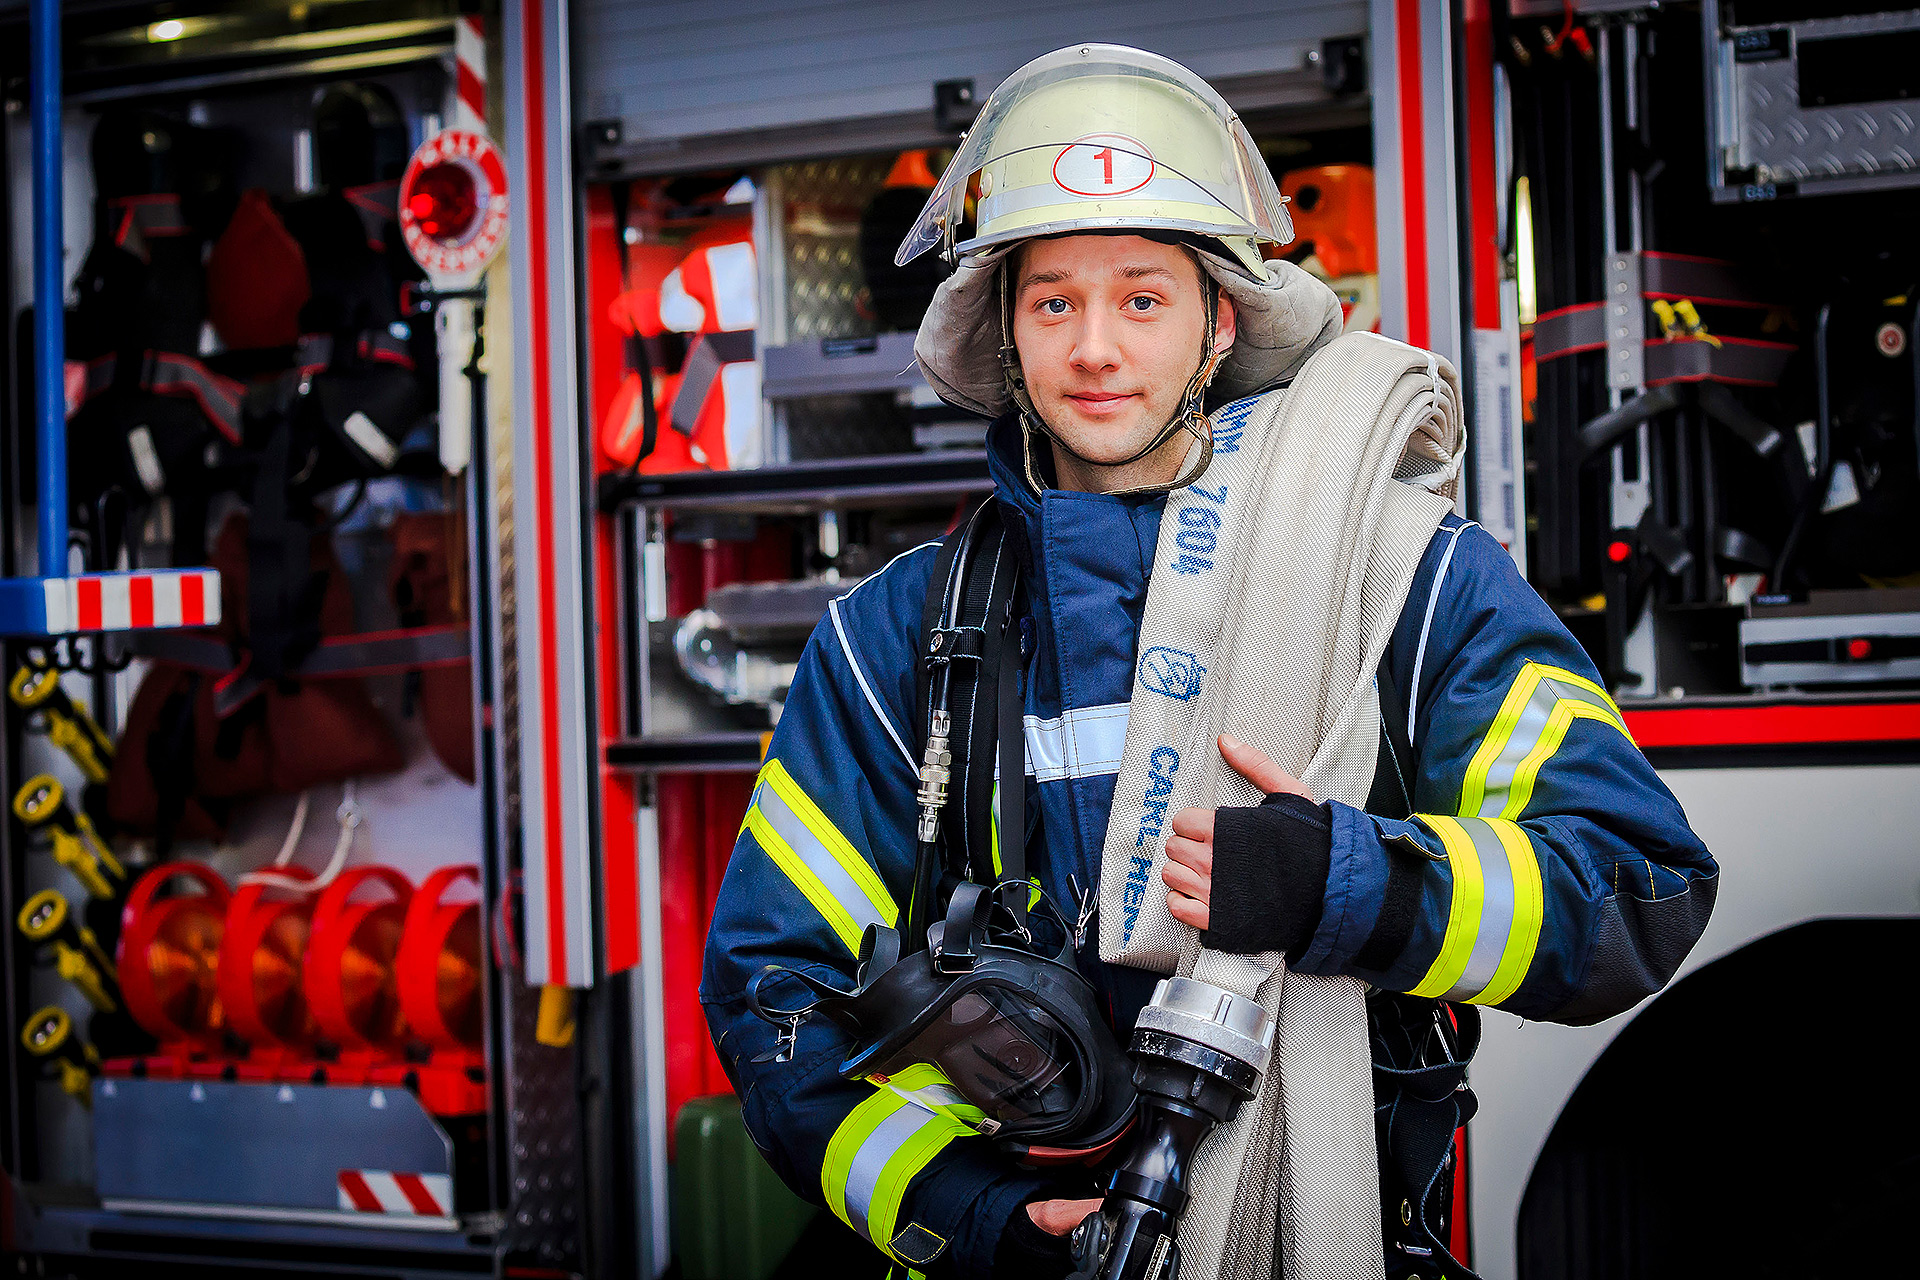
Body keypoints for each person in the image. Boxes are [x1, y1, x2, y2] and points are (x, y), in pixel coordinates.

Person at [702, 44, 1717, 1279]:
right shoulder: (889, 641)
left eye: (1142, 297)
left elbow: (1635, 886)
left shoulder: (1400, 579)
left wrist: (1350, 882)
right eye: (1053, 300)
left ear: (1218, 320)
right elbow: (777, 992)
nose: (1094, 348)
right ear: (1009, 337)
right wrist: (977, 1220)